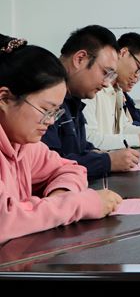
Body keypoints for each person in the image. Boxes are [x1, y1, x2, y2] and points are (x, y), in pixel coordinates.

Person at [0, 34, 121, 244]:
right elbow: (5, 220)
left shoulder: (23, 145)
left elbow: (71, 168)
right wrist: (76, 204)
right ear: (4, 98)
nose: (50, 121)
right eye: (46, 110)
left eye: (55, 112)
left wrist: (61, 197)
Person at [42, 25, 140, 181]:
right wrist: (107, 161)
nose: (106, 84)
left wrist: (99, 153)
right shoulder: (42, 94)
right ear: (80, 59)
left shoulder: (74, 98)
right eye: (105, 73)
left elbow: (79, 147)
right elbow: (45, 166)